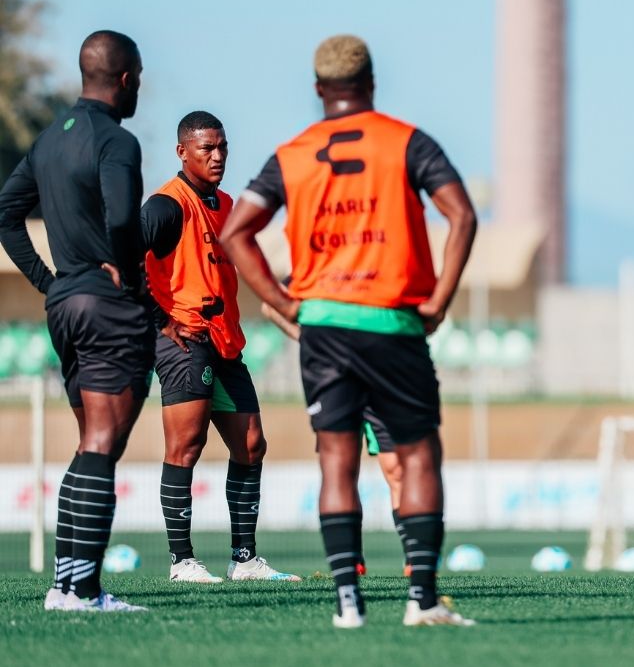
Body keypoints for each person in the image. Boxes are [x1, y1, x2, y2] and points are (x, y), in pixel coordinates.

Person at [220, 35, 477, 629]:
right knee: (417, 456)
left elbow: (237, 233)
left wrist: (286, 303)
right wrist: (438, 300)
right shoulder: (407, 141)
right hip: (393, 321)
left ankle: (347, 603)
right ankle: (423, 602)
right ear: (372, 83)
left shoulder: (292, 154)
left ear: (318, 91)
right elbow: (462, 213)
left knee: (335, 460)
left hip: (324, 326)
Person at [0, 30, 150, 613]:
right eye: (139, 75)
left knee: (90, 444)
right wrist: (131, 281)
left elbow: (7, 216)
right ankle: (82, 591)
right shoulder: (116, 139)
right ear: (126, 77)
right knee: (102, 444)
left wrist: (49, 281)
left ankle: (67, 583)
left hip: (66, 304)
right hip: (107, 304)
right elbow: (121, 218)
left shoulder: (48, 140)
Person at [141, 110, 299, 584]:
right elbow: (123, 261)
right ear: (181, 151)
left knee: (251, 444)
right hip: (183, 339)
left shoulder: (226, 204)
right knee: (185, 446)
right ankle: (181, 561)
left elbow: (249, 265)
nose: (217, 155)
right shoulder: (166, 206)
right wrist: (161, 322)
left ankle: (244, 559)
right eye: (206, 147)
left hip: (225, 340)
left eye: (222, 146)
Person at [261, 299, 409, 578]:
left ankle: (413, 558)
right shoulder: (321, 268)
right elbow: (270, 305)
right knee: (341, 469)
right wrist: (311, 340)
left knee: (397, 469)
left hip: (381, 376)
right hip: (336, 379)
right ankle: (351, 560)